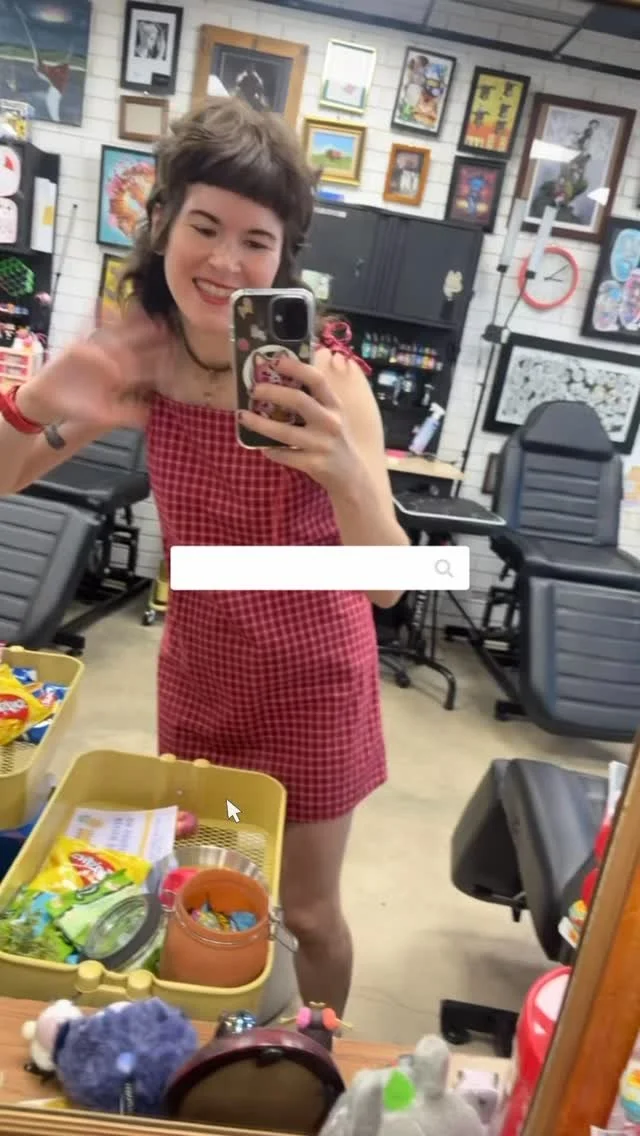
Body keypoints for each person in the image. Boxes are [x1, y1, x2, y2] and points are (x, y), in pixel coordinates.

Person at [0, 98, 409, 1016]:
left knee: (308, 912)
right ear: (163, 223)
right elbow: (7, 473)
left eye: (256, 241)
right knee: (201, 885)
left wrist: (344, 467)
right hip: (202, 670)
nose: (225, 261)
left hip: (313, 677)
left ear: (284, 257)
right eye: (205, 226)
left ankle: (320, 1050)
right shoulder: (139, 355)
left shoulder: (329, 378)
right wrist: (39, 401)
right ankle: (203, 1046)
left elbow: (389, 582)